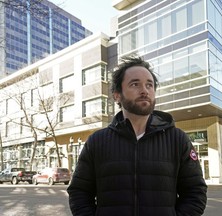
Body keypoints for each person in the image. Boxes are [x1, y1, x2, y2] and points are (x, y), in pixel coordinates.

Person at [67, 55, 207, 216]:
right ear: (117, 95)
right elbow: (79, 192)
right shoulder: (97, 141)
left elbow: (195, 192)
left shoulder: (177, 139)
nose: (144, 91)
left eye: (149, 85)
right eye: (135, 84)